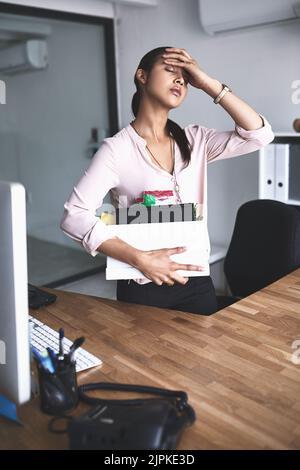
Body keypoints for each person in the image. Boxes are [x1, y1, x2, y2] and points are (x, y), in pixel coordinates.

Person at [60, 46, 274, 315]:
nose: (180, 80)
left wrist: (208, 84)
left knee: (203, 355)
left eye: (185, 78)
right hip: (142, 283)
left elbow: (260, 135)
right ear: (142, 76)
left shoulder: (196, 141)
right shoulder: (116, 150)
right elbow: (74, 215)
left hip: (195, 278)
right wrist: (140, 259)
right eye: (171, 71)